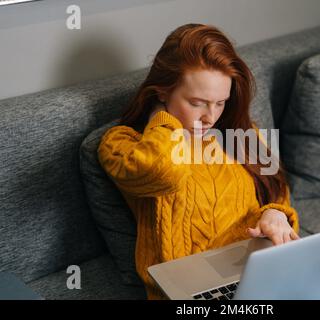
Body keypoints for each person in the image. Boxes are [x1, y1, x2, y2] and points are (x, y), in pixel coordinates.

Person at [97, 23, 300, 300]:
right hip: (192, 294)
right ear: (162, 91)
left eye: (220, 102)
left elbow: (278, 189)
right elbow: (165, 171)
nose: (210, 117)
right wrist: (163, 119)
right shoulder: (121, 144)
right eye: (197, 102)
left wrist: (275, 214)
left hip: (262, 274)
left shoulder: (243, 133)